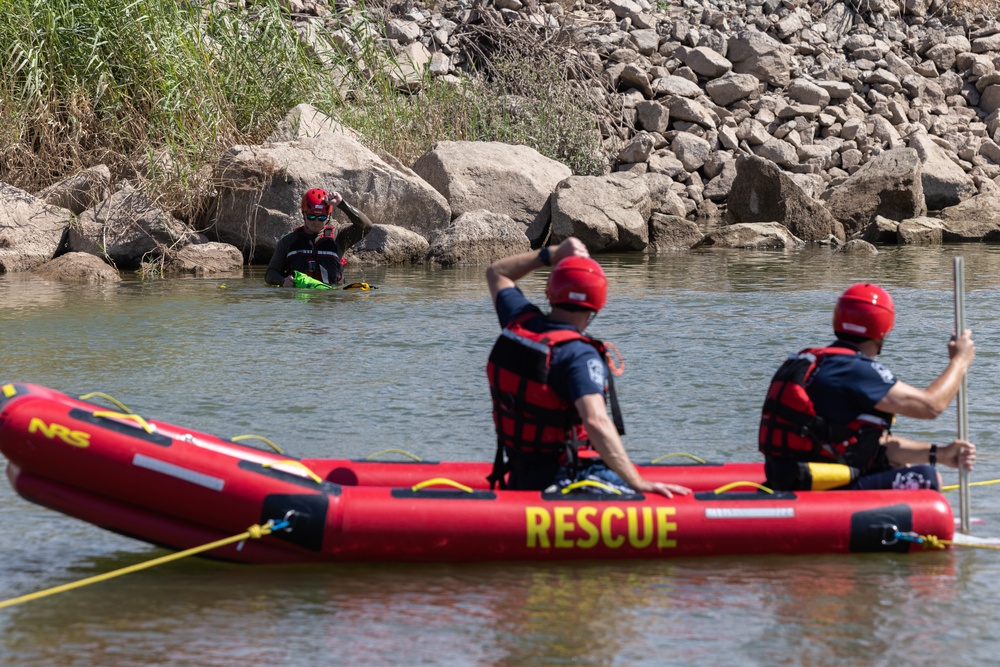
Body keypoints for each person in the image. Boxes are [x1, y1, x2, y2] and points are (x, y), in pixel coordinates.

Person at [485, 236, 691, 498]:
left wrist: (554, 253)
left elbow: (498, 272)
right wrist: (636, 481)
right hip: (569, 479)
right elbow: (595, 421)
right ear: (598, 303)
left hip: (520, 474)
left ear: (550, 291)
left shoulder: (519, 322)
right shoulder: (578, 355)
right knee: (639, 491)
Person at [758, 282, 976, 491]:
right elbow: (931, 406)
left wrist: (941, 454)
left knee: (900, 467)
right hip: (815, 481)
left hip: (792, 474)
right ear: (882, 329)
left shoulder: (813, 360)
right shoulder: (853, 369)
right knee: (927, 478)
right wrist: (960, 361)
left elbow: (867, 445)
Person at [265, 188, 373, 287]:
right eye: (312, 217)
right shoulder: (287, 241)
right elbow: (270, 274)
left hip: (328, 301)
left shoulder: (340, 236)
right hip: (299, 301)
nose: (316, 222)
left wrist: (341, 204)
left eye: (322, 217)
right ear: (303, 214)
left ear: (328, 216)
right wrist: (282, 281)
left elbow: (366, 226)